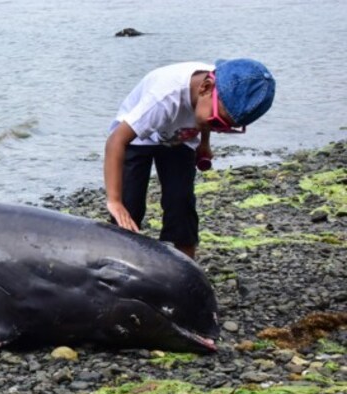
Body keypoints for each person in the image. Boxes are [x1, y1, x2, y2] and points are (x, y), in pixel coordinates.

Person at [104, 58, 275, 259]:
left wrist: (204, 144)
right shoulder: (163, 98)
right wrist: (114, 201)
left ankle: (184, 265)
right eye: (218, 123)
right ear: (205, 87)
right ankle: (118, 261)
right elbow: (116, 142)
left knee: (181, 202)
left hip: (178, 137)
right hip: (138, 137)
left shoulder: (218, 90)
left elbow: (207, 118)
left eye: (227, 128)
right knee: (129, 204)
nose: (219, 130)